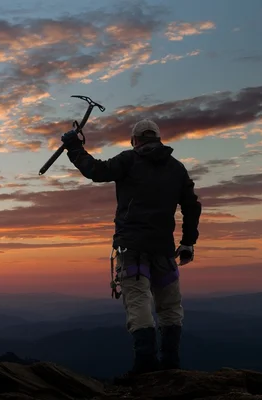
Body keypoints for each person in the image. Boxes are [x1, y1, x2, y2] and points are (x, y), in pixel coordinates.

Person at [60, 119, 202, 375]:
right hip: (164, 249)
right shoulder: (177, 168)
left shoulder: (129, 160)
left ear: (135, 140)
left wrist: (73, 147)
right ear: (158, 138)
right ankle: (171, 364)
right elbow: (192, 205)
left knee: (138, 302)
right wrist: (188, 242)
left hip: (131, 247)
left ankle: (145, 365)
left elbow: (95, 170)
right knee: (170, 306)